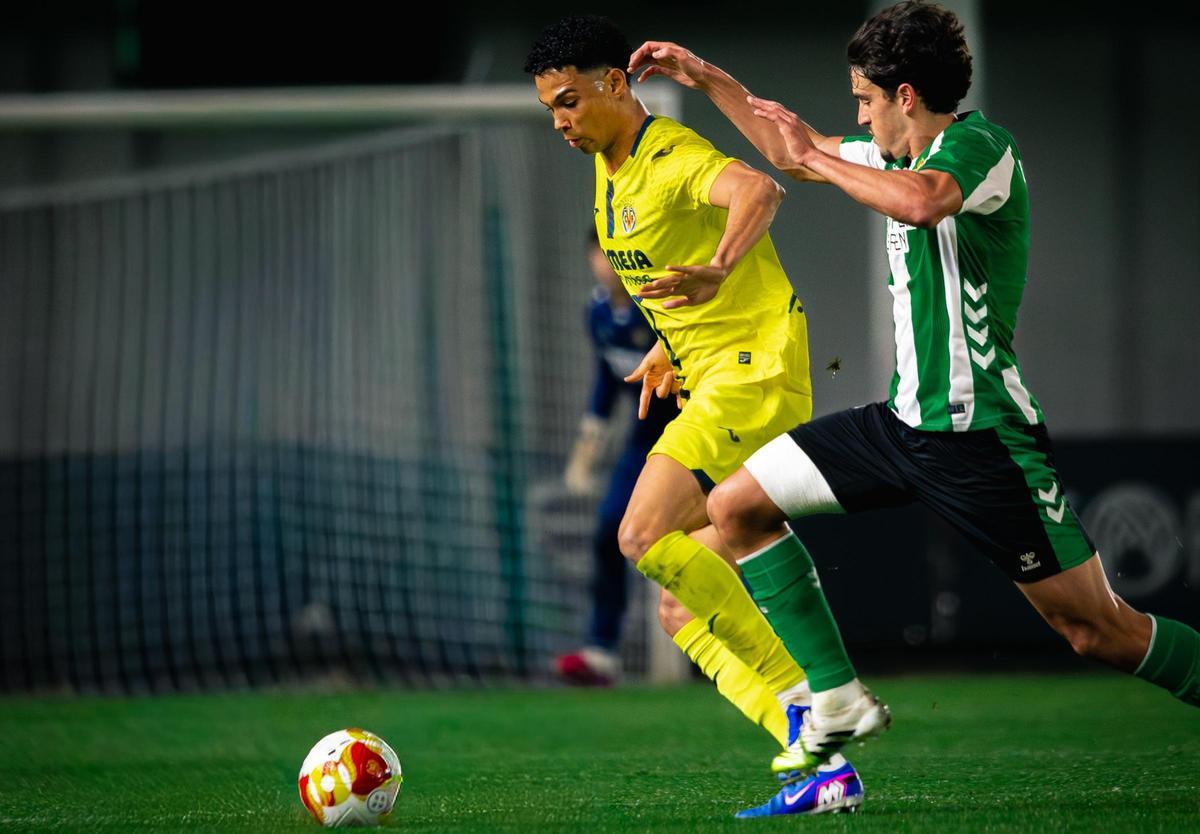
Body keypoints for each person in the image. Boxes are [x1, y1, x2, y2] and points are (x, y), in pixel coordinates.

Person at [629, 0, 1200, 815]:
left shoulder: (981, 147)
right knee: (736, 504)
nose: (855, 115)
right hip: (900, 426)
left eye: (864, 100)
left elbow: (923, 201)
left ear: (904, 95)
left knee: (1097, 631)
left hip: (983, 442)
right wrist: (709, 78)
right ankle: (838, 698)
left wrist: (821, 162)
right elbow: (794, 150)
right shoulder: (885, 154)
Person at [526, 14, 870, 815]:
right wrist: (668, 345)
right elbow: (668, 278)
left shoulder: (670, 155)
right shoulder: (609, 170)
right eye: (551, 108)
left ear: (616, 82)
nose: (560, 122)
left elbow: (760, 188)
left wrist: (719, 268)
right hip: (711, 369)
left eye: (570, 101)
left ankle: (812, 702)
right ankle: (828, 770)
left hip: (752, 373)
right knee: (680, 603)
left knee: (639, 534)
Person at [556, 232, 677, 686]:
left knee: (716, 530)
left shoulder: (659, 303)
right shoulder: (598, 313)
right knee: (610, 529)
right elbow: (605, 381)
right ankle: (601, 649)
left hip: (695, 432)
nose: (607, 264)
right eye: (599, 255)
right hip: (645, 441)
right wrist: (587, 446)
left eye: (614, 254)